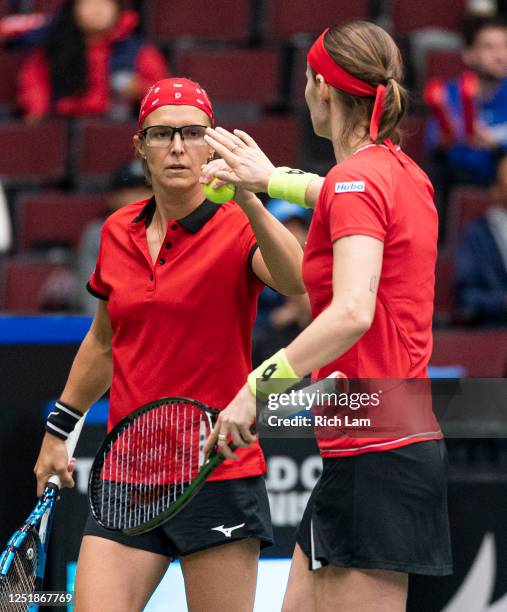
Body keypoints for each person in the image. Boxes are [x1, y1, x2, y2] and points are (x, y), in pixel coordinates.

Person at [202, 21, 453, 612]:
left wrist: (255, 390)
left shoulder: (358, 181)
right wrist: (269, 181)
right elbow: (340, 191)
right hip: (371, 439)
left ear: (320, 87)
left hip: (377, 456)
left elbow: (350, 314)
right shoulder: (401, 173)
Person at [33, 77, 305, 612]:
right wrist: (57, 431)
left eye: (192, 133)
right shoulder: (117, 232)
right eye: (162, 134)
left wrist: (250, 199)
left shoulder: (236, 226)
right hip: (129, 474)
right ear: (140, 145)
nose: (178, 147)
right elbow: (103, 343)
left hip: (217, 472)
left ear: (212, 144)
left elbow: (297, 280)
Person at [17, 0, 168, 121]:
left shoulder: (137, 51)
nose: (97, 8)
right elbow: (33, 86)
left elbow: (165, 95)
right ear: (73, 9)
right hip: (62, 125)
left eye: (105, 2)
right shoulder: (53, 48)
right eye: (88, 2)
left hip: (117, 129)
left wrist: (139, 88)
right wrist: (37, 114)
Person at [426, 15, 507, 188]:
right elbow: (433, 141)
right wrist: (450, 137)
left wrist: (495, 140)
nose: (501, 55)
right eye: (489, 48)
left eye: (505, 46)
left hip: (499, 180)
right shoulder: (448, 93)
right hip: (456, 178)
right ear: (469, 54)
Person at [77, 159, 152, 314]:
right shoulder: (97, 234)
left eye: (147, 188)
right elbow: (92, 303)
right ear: (113, 197)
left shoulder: (178, 229)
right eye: (130, 189)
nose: (139, 197)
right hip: (112, 328)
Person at [253, 199, 312, 365]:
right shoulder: (257, 267)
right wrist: (275, 319)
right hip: (270, 352)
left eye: (297, 226)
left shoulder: (323, 262)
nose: (294, 234)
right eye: (285, 227)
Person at [454, 154, 507, 325]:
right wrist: (501, 301)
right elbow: (466, 296)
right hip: (494, 330)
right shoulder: (478, 235)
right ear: (496, 189)